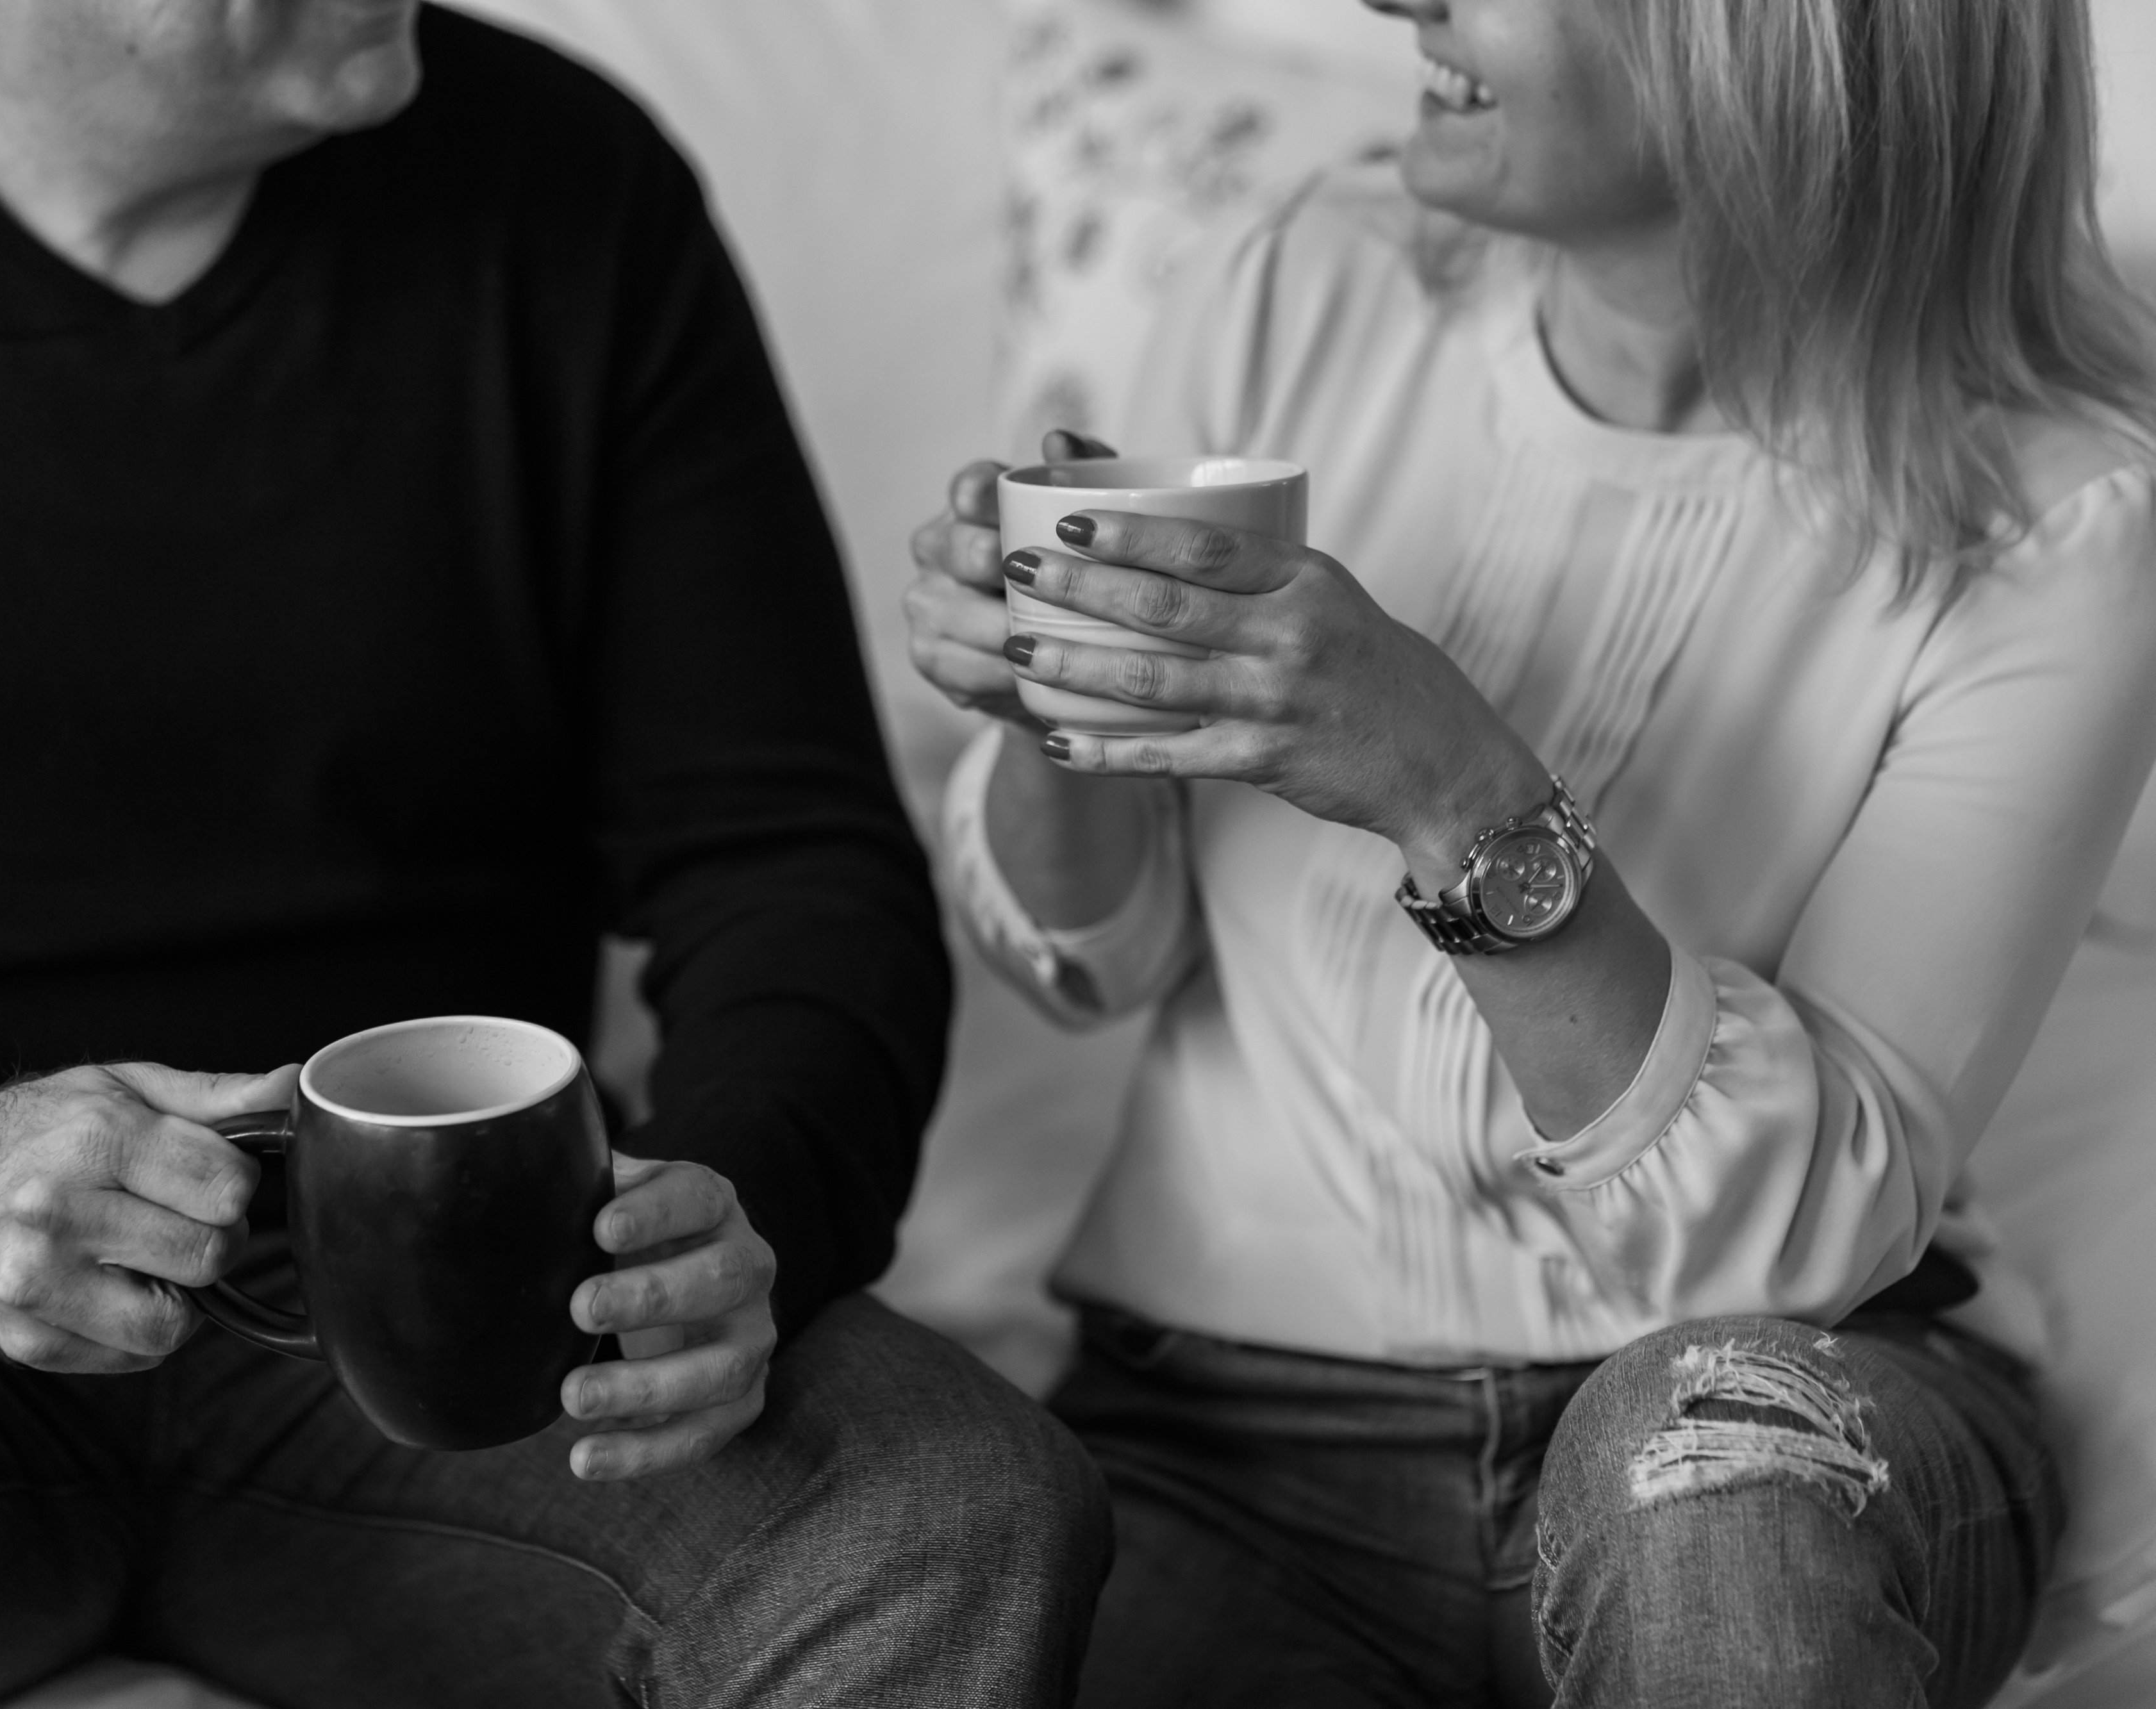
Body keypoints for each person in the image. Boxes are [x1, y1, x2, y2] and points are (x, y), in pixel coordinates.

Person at [0, 1, 1109, 1703]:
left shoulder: (564, 187)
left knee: (947, 1503)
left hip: (452, 1350)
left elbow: (787, 853)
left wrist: (738, 1205)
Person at [906, 0, 2156, 1703]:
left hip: (1781, 1394)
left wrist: (1454, 786)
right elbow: (1096, 956)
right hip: (1234, 1426)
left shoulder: (2056, 526)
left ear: (1765, 43)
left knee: (1701, 1468)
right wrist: (1057, 706)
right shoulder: (1299, 284)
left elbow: (1791, 1246)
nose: (1393, 0)